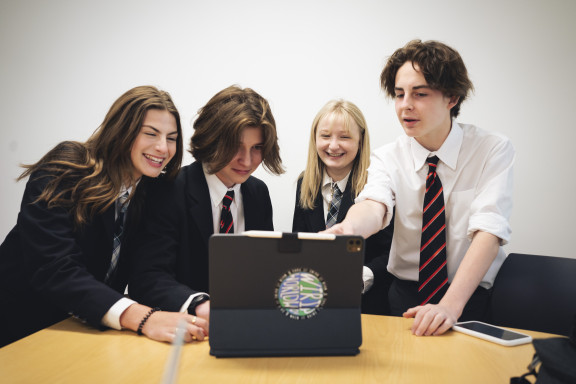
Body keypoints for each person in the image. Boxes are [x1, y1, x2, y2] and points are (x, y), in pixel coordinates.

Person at [325, 40, 514, 336]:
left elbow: (489, 231)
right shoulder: (389, 156)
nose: (405, 105)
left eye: (420, 94)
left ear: (452, 97)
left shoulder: (491, 149)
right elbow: (375, 204)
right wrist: (347, 229)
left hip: (467, 297)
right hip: (405, 296)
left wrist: (450, 306)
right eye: (399, 95)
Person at [0, 86, 209, 348]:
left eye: (171, 138)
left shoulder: (152, 192)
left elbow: (150, 270)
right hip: (18, 326)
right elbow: (55, 269)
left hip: (80, 330)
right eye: (150, 134)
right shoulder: (66, 168)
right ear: (122, 130)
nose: (162, 147)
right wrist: (143, 318)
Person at [129, 85, 284, 316]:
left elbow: (262, 271)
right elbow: (148, 278)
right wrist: (200, 305)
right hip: (184, 328)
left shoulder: (258, 193)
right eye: (236, 146)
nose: (247, 160)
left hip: (244, 325)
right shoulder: (167, 189)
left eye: (257, 148)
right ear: (211, 139)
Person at [292, 99, 393, 315]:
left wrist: (362, 276)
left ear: (360, 141)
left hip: (368, 303)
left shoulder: (378, 185)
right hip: (315, 301)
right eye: (326, 136)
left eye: (345, 137)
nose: (333, 145)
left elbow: (392, 252)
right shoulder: (305, 182)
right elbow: (299, 243)